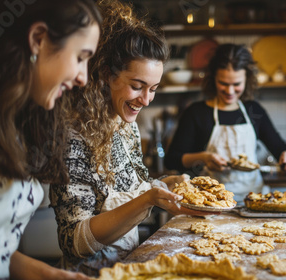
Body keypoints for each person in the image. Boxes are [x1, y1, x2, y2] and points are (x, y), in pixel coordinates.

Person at [49, 0, 215, 276]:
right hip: (90, 274)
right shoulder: (73, 135)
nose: (146, 100)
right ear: (106, 74)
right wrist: (149, 199)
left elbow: (131, 189)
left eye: (153, 89)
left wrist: (165, 185)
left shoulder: (126, 125)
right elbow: (74, 242)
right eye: (137, 86)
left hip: (130, 267)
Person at [0, 1, 101, 279]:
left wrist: (48, 275)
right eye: (80, 57)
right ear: (38, 39)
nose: (83, 78)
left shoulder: (17, 123)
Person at [164, 43, 286, 203]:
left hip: (253, 201)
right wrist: (204, 158)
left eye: (237, 84)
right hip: (210, 202)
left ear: (247, 79)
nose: (230, 91)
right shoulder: (197, 113)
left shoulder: (254, 111)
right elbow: (172, 159)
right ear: (213, 78)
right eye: (224, 84)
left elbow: (279, 148)